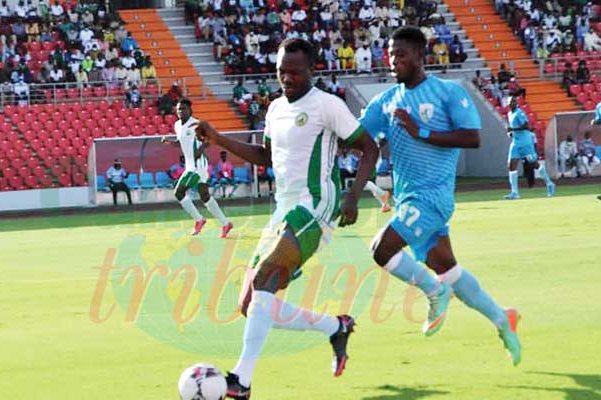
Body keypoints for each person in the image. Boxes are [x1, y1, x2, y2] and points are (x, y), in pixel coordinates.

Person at [194, 38, 379, 399]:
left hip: (316, 205)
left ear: (313, 70)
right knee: (250, 304)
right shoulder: (275, 107)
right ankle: (335, 327)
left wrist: (353, 195)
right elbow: (265, 156)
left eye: (295, 71)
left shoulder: (328, 106)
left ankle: (241, 381)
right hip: (282, 208)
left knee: (265, 280)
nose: (287, 78)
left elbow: (369, 147)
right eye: (282, 71)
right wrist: (219, 138)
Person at [359, 27, 522, 367]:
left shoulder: (447, 92)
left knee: (381, 249)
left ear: (420, 56)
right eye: (390, 54)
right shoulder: (386, 102)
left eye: (400, 54)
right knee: (449, 271)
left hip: (432, 198)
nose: (393, 60)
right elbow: (355, 134)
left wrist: (422, 132)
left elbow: (473, 137)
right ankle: (502, 319)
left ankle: (433, 293)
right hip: (409, 200)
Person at [160, 98, 234, 238]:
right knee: (205, 196)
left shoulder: (196, 124)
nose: (181, 111)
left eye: (184, 109)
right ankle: (226, 224)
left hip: (198, 166)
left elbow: (211, 138)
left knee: (179, 192)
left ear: (190, 110)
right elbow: (180, 142)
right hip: (190, 165)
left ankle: (199, 220)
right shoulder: (177, 125)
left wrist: (201, 149)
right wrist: (169, 142)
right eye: (179, 109)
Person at [503, 95, 555, 198]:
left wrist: (513, 129)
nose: (510, 104)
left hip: (525, 142)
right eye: (509, 102)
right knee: (511, 166)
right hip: (516, 143)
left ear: (515, 103)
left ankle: (549, 183)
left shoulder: (519, 113)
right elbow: (513, 129)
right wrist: (511, 133)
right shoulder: (509, 114)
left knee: (534, 164)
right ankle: (515, 193)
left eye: (512, 102)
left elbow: (527, 126)